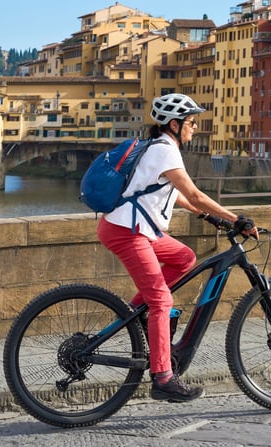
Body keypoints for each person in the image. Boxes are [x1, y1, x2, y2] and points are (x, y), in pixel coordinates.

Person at [97, 93, 257, 402]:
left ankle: (137, 313)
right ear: (175, 123)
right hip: (128, 231)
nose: (195, 127)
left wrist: (209, 216)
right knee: (161, 301)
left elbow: (173, 194)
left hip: (134, 227)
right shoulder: (165, 151)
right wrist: (236, 219)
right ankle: (163, 378)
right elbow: (194, 194)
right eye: (192, 122)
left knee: (184, 257)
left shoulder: (158, 148)